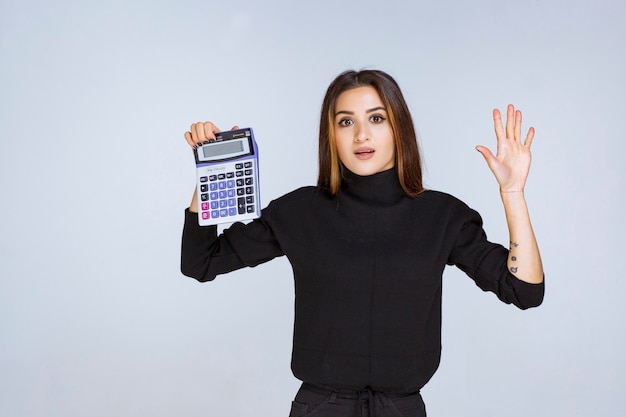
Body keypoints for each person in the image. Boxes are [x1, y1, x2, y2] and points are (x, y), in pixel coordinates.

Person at [180, 69, 544, 417]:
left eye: (376, 119)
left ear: (398, 128)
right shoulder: (300, 211)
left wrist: (512, 193)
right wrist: (211, 174)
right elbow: (201, 262)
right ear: (331, 135)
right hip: (320, 409)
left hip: (401, 409)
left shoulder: (444, 216)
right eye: (345, 121)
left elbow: (525, 290)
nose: (361, 136)